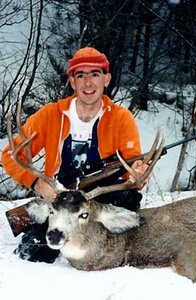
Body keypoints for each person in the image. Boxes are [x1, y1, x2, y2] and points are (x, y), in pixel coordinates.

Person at [2, 47, 148, 263]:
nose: (88, 83)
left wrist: (137, 174)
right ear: (72, 82)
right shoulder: (50, 115)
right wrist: (36, 183)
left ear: (106, 79)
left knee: (128, 201)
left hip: (97, 200)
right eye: (81, 75)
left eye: (95, 74)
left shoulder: (121, 118)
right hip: (60, 198)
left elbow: (131, 169)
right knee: (35, 253)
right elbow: (9, 155)